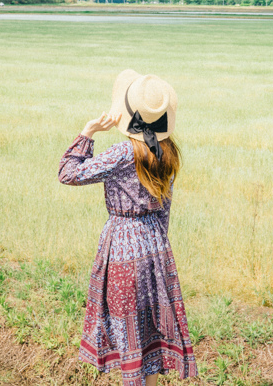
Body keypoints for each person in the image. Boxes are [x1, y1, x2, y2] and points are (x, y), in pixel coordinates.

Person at [58, 69, 197, 386]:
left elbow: (68, 173)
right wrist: (158, 252)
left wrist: (87, 133)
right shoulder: (167, 152)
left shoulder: (124, 152)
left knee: (128, 333)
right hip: (155, 247)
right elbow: (165, 211)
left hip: (122, 246)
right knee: (147, 334)